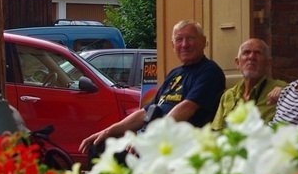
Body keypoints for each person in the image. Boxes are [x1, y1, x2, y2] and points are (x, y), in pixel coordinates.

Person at [79, 20, 225, 153]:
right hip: (157, 139)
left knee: (115, 154)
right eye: (179, 39)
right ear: (173, 45)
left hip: (180, 145)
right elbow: (145, 112)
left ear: (203, 42)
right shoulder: (175, 74)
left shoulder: (209, 72)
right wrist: (108, 131)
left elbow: (187, 108)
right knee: (100, 145)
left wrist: (149, 138)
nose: (184, 44)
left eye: (190, 38)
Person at [211, 38, 285, 130]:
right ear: (237, 63)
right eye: (246, 52)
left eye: (258, 53)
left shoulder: (281, 90)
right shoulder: (228, 95)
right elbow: (216, 131)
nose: (251, 57)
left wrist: (287, 92)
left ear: (268, 63)